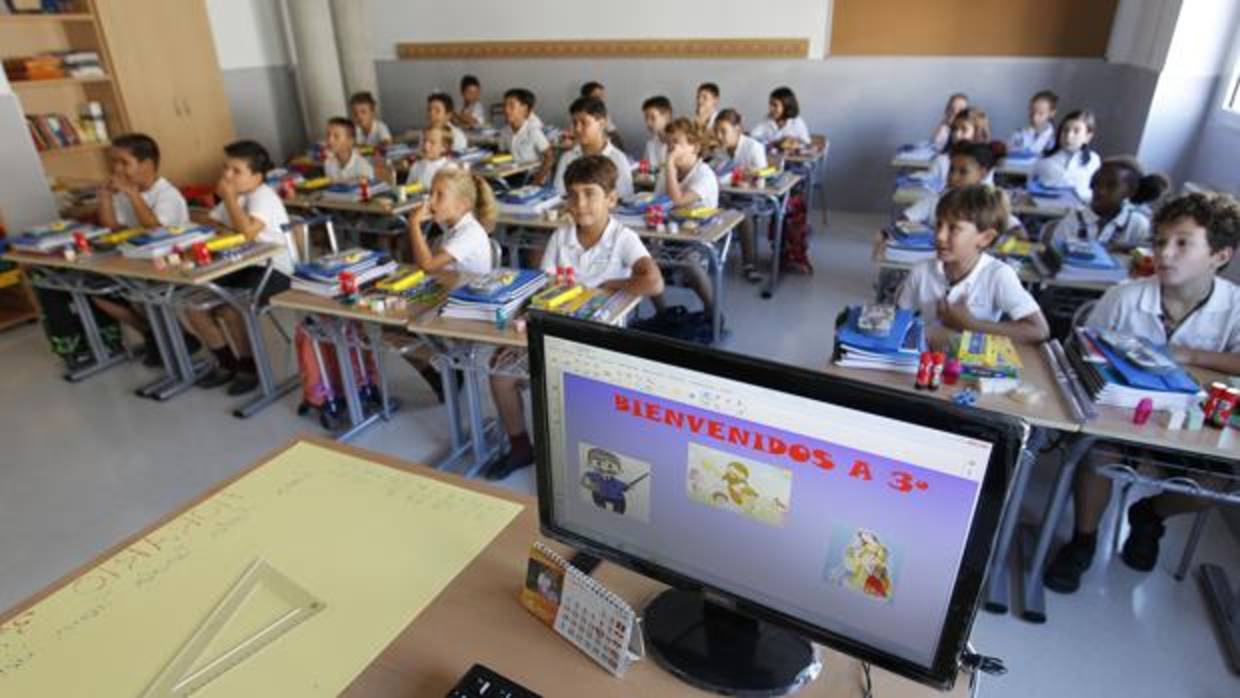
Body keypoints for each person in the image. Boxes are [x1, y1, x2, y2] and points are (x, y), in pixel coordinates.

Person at [1044, 192, 1240, 593]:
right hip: (1122, 421)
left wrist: (1190, 354)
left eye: (1183, 243)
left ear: (1221, 255)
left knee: (1222, 481)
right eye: (1160, 241)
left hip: (1194, 428)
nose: (1165, 253)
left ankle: (1151, 515)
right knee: (1098, 453)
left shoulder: (1235, 307)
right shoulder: (1125, 296)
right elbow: (1083, 347)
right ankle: (1083, 539)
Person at [486, 155, 664, 480]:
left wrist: (610, 283)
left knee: (571, 390)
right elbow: (546, 287)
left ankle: (580, 458)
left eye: (590, 193)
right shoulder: (562, 235)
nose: (579, 203)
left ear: (611, 198)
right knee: (500, 375)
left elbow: (654, 282)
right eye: (573, 194)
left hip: (603, 343)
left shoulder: (622, 238)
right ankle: (521, 446)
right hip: (557, 333)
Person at [185, 140, 291, 395]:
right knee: (192, 303)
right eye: (226, 169)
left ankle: (248, 366)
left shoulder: (263, 196)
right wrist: (230, 210)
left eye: (236, 171)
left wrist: (230, 200)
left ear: (257, 176)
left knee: (231, 308)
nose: (227, 176)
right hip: (239, 265)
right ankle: (225, 362)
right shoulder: (239, 197)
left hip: (273, 271)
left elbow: (246, 231)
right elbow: (213, 223)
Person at [896, 185, 1050, 346]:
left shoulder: (998, 275)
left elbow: (1039, 330)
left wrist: (969, 325)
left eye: (953, 228)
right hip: (925, 361)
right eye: (939, 225)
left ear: (985, 238)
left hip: (973, 367)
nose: (940, 236)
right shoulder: (921, 271)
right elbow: (898, 320)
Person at [402, 166, 499, 401]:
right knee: (391, 328)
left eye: (439, 195)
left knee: (398, 329)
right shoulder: (453, 229)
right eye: (430, 193)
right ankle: (445, 375)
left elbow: (428, 265)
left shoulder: (469, 233)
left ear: (463, 204)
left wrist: (414, 224)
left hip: (467, 310)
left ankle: (448, 372)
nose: (430, 201)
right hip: (450, 298)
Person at [93, 133, 191, 363]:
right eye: (113, 162)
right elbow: (112, 228)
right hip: (135, 259)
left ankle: (174, 338)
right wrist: (106, 198)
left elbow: (157, 231)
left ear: (147, 164)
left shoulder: (167, 194)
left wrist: (133, 195)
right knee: (99, 293)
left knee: (139, 293)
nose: (116, 169)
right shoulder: (126, 192)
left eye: (124, 163)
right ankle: (154, 335)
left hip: (169, 263)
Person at [1043, 156, 1170, 250]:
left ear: (1130, 192)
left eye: (1111, 186)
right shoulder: (1073, 220)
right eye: (1097, 182)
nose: (1101, 191)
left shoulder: (1138, 225)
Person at [713, 109, 768, 282]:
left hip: (751, 198)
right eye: (717, 131)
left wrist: (749, 180)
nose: (719, 136)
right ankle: (706, 259)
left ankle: (749, 264)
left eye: (724, 131)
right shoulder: (719, 151)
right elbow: (714, 176)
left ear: (737, 129)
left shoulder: (753, 147)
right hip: (727, 196)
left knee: (743, 214)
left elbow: (762, 181)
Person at [552, 97, 634, 199]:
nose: (577, 128)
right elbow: (559, 196)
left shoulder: (617, 159)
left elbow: (625, 199)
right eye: (574, 123)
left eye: (584, 123)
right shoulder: (567, 158)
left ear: (602, 123)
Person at [1033, 110, 1101, 203]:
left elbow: (1095, 190)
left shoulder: (1093, 160)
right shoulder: (1044, 158)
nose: (1069, 136)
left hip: (1079, 209)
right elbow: (1032, 186)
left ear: (1087, 137)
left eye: (1076, 131)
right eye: (1065, 130)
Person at [499, 88, 552, 167]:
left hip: (531, 175)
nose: (506, 110)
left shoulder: (533, 130)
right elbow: (502, 155)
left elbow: (549, 157)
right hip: (512, 173)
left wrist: (538, 179)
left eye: (511, 106)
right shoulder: (504, 131)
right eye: (504, 105)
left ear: (524, 108)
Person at [323, 116, 374, 182]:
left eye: (336, 136)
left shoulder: (362, 165)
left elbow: (369, 188)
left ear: (350, 141)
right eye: (328, 135)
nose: (330, 140)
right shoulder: (328, 163)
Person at [1008, 89, 1057, 154]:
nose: (1034, 118)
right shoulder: (1018, 133)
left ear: (1051, 113)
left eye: (1041, 114)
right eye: (1032, 112)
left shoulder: (1056, 137)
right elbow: (1008, 151)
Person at [406, 125, 454, 190]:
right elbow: (407, 190)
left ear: (444, 147)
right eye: (424, 140)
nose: (426, 146)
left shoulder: (449, 168)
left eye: (432, 142)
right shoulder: (417, 165)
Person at [640, 95, 673, 169]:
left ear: (667, 116)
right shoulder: (650, 145)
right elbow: (643, 170)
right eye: (646, 118)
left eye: (652, 118)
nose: (648, 123)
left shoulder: (680, 144)